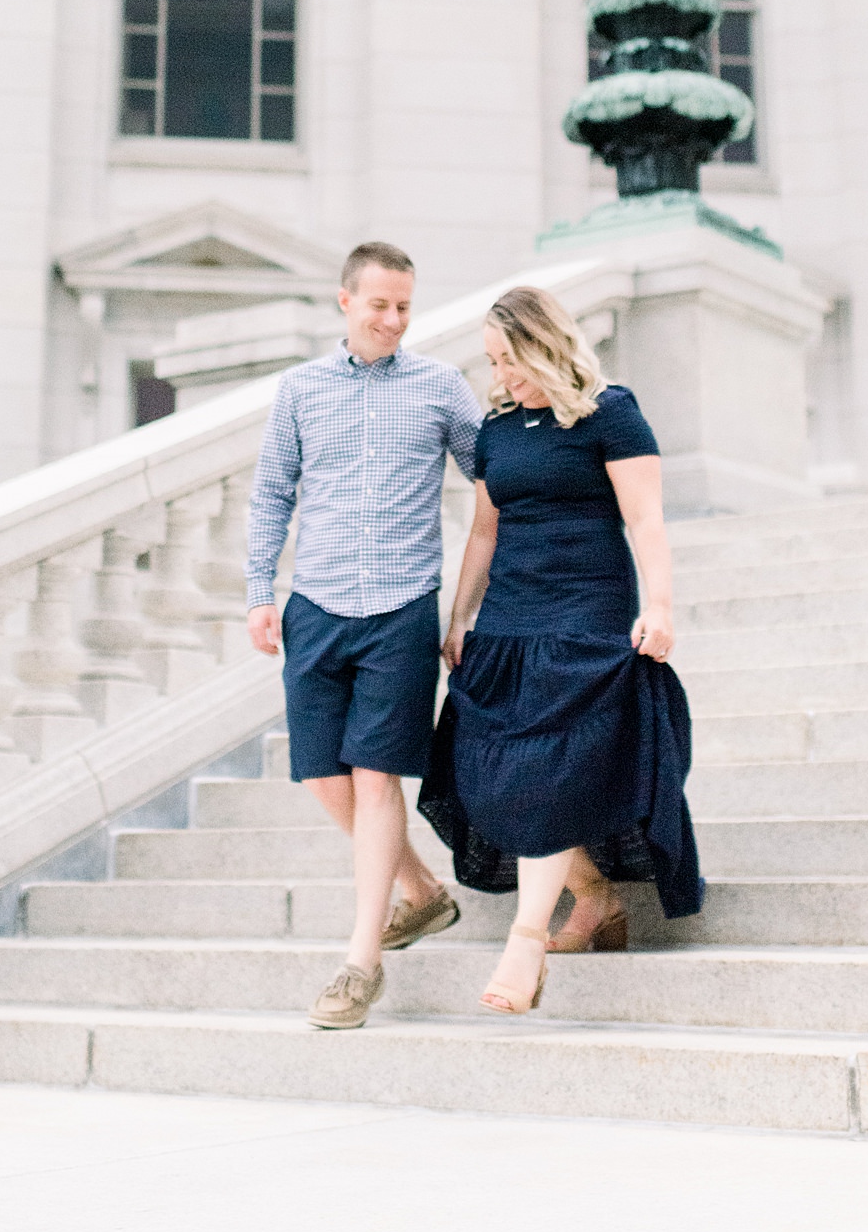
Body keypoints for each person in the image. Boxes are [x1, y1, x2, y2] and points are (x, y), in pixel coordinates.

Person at [418, 284, 703, 1014]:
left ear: (547, 344)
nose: (502, 377)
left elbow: (645, 520)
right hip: (510, 616)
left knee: (545, 775)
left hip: (585, 613)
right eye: (492, 362)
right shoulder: (499, 427)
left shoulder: (613, 413)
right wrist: (460, 618)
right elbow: (484, 531)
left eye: (511, 360)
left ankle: (523, 943)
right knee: (487, 777)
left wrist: (660, 607)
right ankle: (597, 899)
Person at [245, 239, 483, 1030]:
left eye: (404, 306)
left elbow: (499, 479)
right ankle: (421, 891)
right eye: (378, 304)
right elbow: (272, 491)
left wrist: (474, 603)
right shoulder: (301, 389)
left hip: (401, 607)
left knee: (378, 779)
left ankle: (359, 964)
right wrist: (258, 593)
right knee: (323, 776)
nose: (392, 319)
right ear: (345, 301)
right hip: (315, 603)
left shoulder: (442, 388)